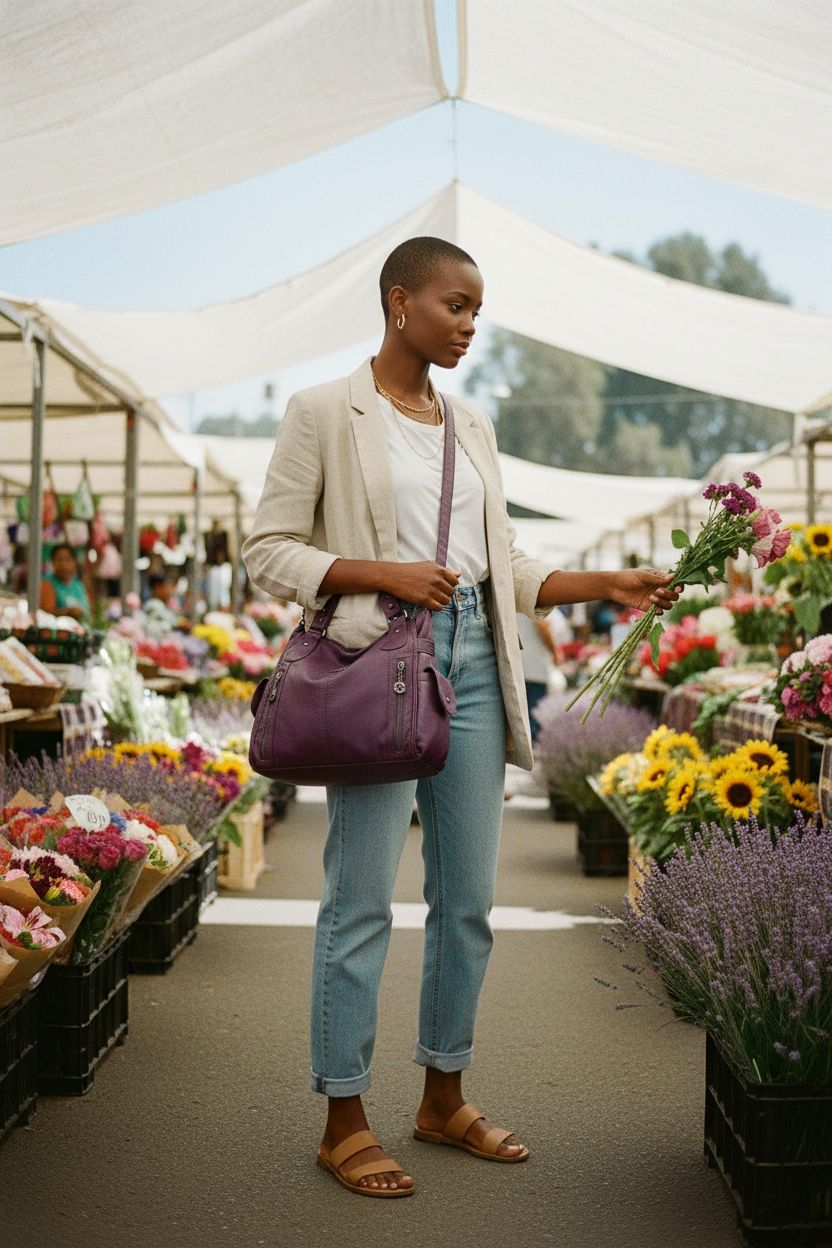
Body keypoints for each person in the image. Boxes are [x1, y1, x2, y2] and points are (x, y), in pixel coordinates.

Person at [242, 237, 677, 1199]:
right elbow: (265, 550)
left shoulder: (469, 426)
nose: (470, 323)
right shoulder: (323, 411)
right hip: (371, 656)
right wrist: (375, 571)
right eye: (456, 305)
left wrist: (605, 581)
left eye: (478, 309)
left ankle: (444, 1094)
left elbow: (503, 563)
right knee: (360, 898)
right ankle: (343, 1115)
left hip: (478, 658)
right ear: (400, 303)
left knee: (467, 903)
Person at [516, 612, 562, 740]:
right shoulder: (535, 598)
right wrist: (555, 652)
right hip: (533, 668)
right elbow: (542, 624)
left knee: (522, 717)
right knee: (534, 716)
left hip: (520, 665)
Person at [39, 542, 90, 622]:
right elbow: (46, 613)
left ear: (74, 562)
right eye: (59, 559)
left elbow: (87, 611)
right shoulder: (47, 584)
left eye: (67, 560)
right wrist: (67, 612)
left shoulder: (78, 585)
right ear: (52, 562)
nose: (63, 564)